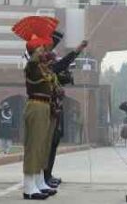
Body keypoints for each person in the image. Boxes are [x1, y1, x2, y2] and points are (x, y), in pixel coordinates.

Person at [12, 15, 60, 200]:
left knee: (42, 147)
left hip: (45, 107)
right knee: (33, 147)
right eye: (41, 48)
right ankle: (29, 187)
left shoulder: (43, 67)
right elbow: (33, 61)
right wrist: (37, 53)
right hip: (36, 106)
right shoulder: (32, 66)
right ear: (34, 50)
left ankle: (39, 181)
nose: (45, 51)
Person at [45, 33, 88, 187]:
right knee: (48, 143)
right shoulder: (41, 66)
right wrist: (78, 50)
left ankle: (47, 174)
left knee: (54, 141)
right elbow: (62, 64)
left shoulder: (49, 67)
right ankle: (44, 176)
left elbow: (64, 76)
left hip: (56, 108)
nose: (52, 52)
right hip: (48, 110)